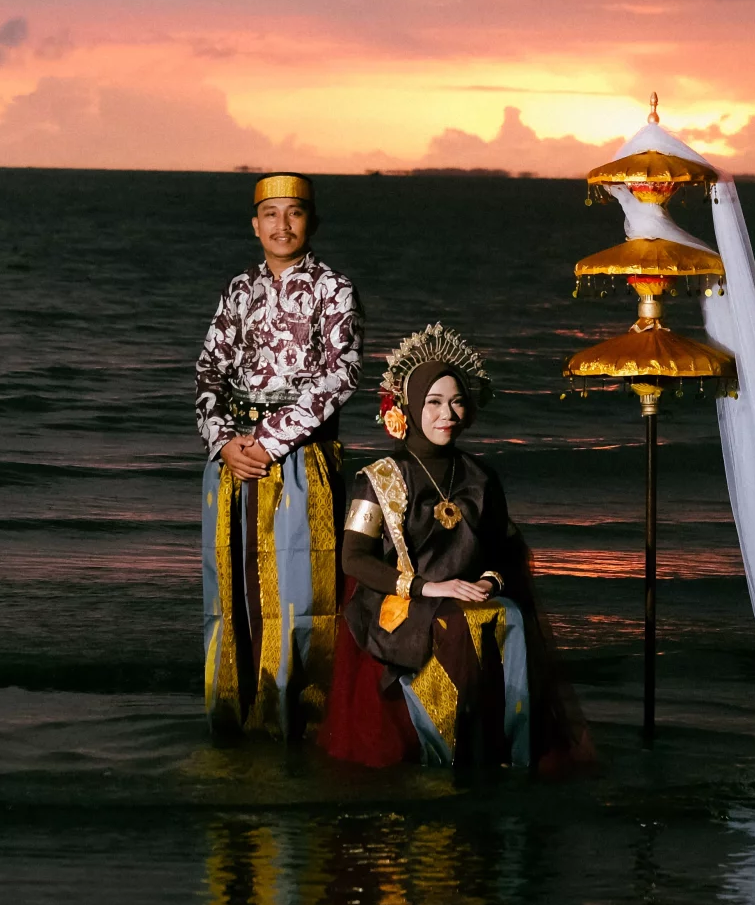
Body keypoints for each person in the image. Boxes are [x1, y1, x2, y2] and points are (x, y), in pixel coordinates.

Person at [319, 324, 591, 772]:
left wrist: (489, 581)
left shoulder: (481, 477)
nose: (447, 413)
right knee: (455, 626)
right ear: (408, 407)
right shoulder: (380, 478)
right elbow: (353, 558)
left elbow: (504, 549)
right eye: (433, 402)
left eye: (457, 401)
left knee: (512, 616)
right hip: (404, 599)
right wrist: (428, 588)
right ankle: (450, 753)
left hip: (465, 592)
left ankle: (511, 751)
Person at [194, 173, 361, 742]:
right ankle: (233, 723)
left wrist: (269, 440)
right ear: (255, 224)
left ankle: (302, 730)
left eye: (294, 213)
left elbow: (342, 375)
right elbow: (209, 371)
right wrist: (223, 441)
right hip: (234, 462)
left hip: (299, 460)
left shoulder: (334, 288)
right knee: (232, 595)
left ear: (312, 221)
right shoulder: (238, 289)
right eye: (270, 214)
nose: (282, 225)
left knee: (301, 597)